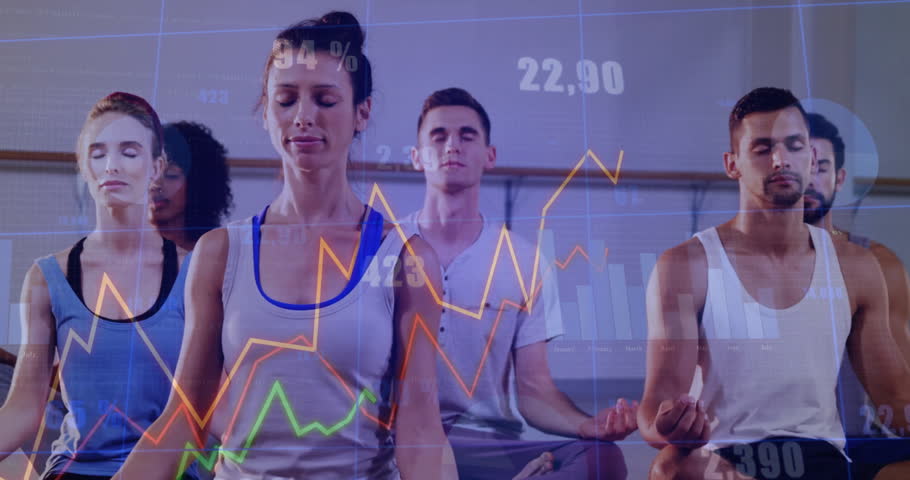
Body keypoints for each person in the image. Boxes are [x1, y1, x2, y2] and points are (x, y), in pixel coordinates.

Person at [115, 12, 456, 480]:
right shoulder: (219, 254)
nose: (303, 117)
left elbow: (420, 430)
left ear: (362, 112)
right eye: (286, 99)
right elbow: (183, 420)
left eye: (325, 99)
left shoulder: (406, 260)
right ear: (266, 111)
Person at [639, 87, 910, 480]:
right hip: (728, 460)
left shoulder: (857, 266)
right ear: (733, 164)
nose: (781, 160)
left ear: (812, 157)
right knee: (670, 468)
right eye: (762, 149)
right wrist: (668, 426)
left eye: (794, 146)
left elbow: (897, 399)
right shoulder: (684, 265)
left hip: (823, 462)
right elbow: (655, 404)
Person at [400, 87, 634, 480]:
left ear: (489, 156)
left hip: (484, 442)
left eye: (466, 135)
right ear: (416, 156)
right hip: (400, 439)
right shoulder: (385, 250)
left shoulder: (524, 261)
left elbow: (534, 388)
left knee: (602, 460)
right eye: (438, 136)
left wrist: (585, 425)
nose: (452, 145)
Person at [0, 91, 198, 480]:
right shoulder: (46, 277)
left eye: (129, 151)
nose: (112, 165)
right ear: (84, 166)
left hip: (167, 473)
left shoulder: (195, 273)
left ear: (156, 168)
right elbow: (23, 408)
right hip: (75, 471)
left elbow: (205, 409)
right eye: (98, 153)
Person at [803, 112, 910, 479]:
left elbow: (901, 397)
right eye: (802, 164)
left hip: (856, 441)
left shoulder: (876, 263)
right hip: (774, 443)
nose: (809, 178)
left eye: (822, 167)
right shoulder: (732, 262)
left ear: (839, 179)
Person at [149, 121, 233, 252]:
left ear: (200, 183)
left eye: (171, 175)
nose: (155, 185)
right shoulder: (120, 255)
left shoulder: (221, 256)